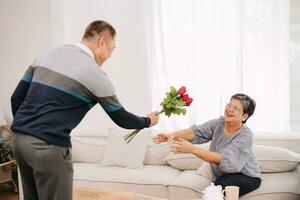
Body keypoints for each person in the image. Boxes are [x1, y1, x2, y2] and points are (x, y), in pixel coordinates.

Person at [11, 20, 159, 200]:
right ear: (102, 42)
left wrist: (26, 130)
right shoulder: (95, 74)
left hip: (19, 142)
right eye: (111, 49)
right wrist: (148, 121)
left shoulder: (46, 55)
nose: (109, 56)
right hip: (49, 147)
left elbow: (16, 98)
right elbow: (121, 118)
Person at [154, 93, 261, 196]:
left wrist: (192, 149)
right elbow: (195, 132)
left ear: (244, 116)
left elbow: (228, 162)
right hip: (225, 175)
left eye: (235, 108)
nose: (229, 109)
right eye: (229, 105)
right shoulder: (219, 123)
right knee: (220, 183)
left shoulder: (245, 136)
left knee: (221, 184)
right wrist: (172, 135)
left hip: (247, 176)